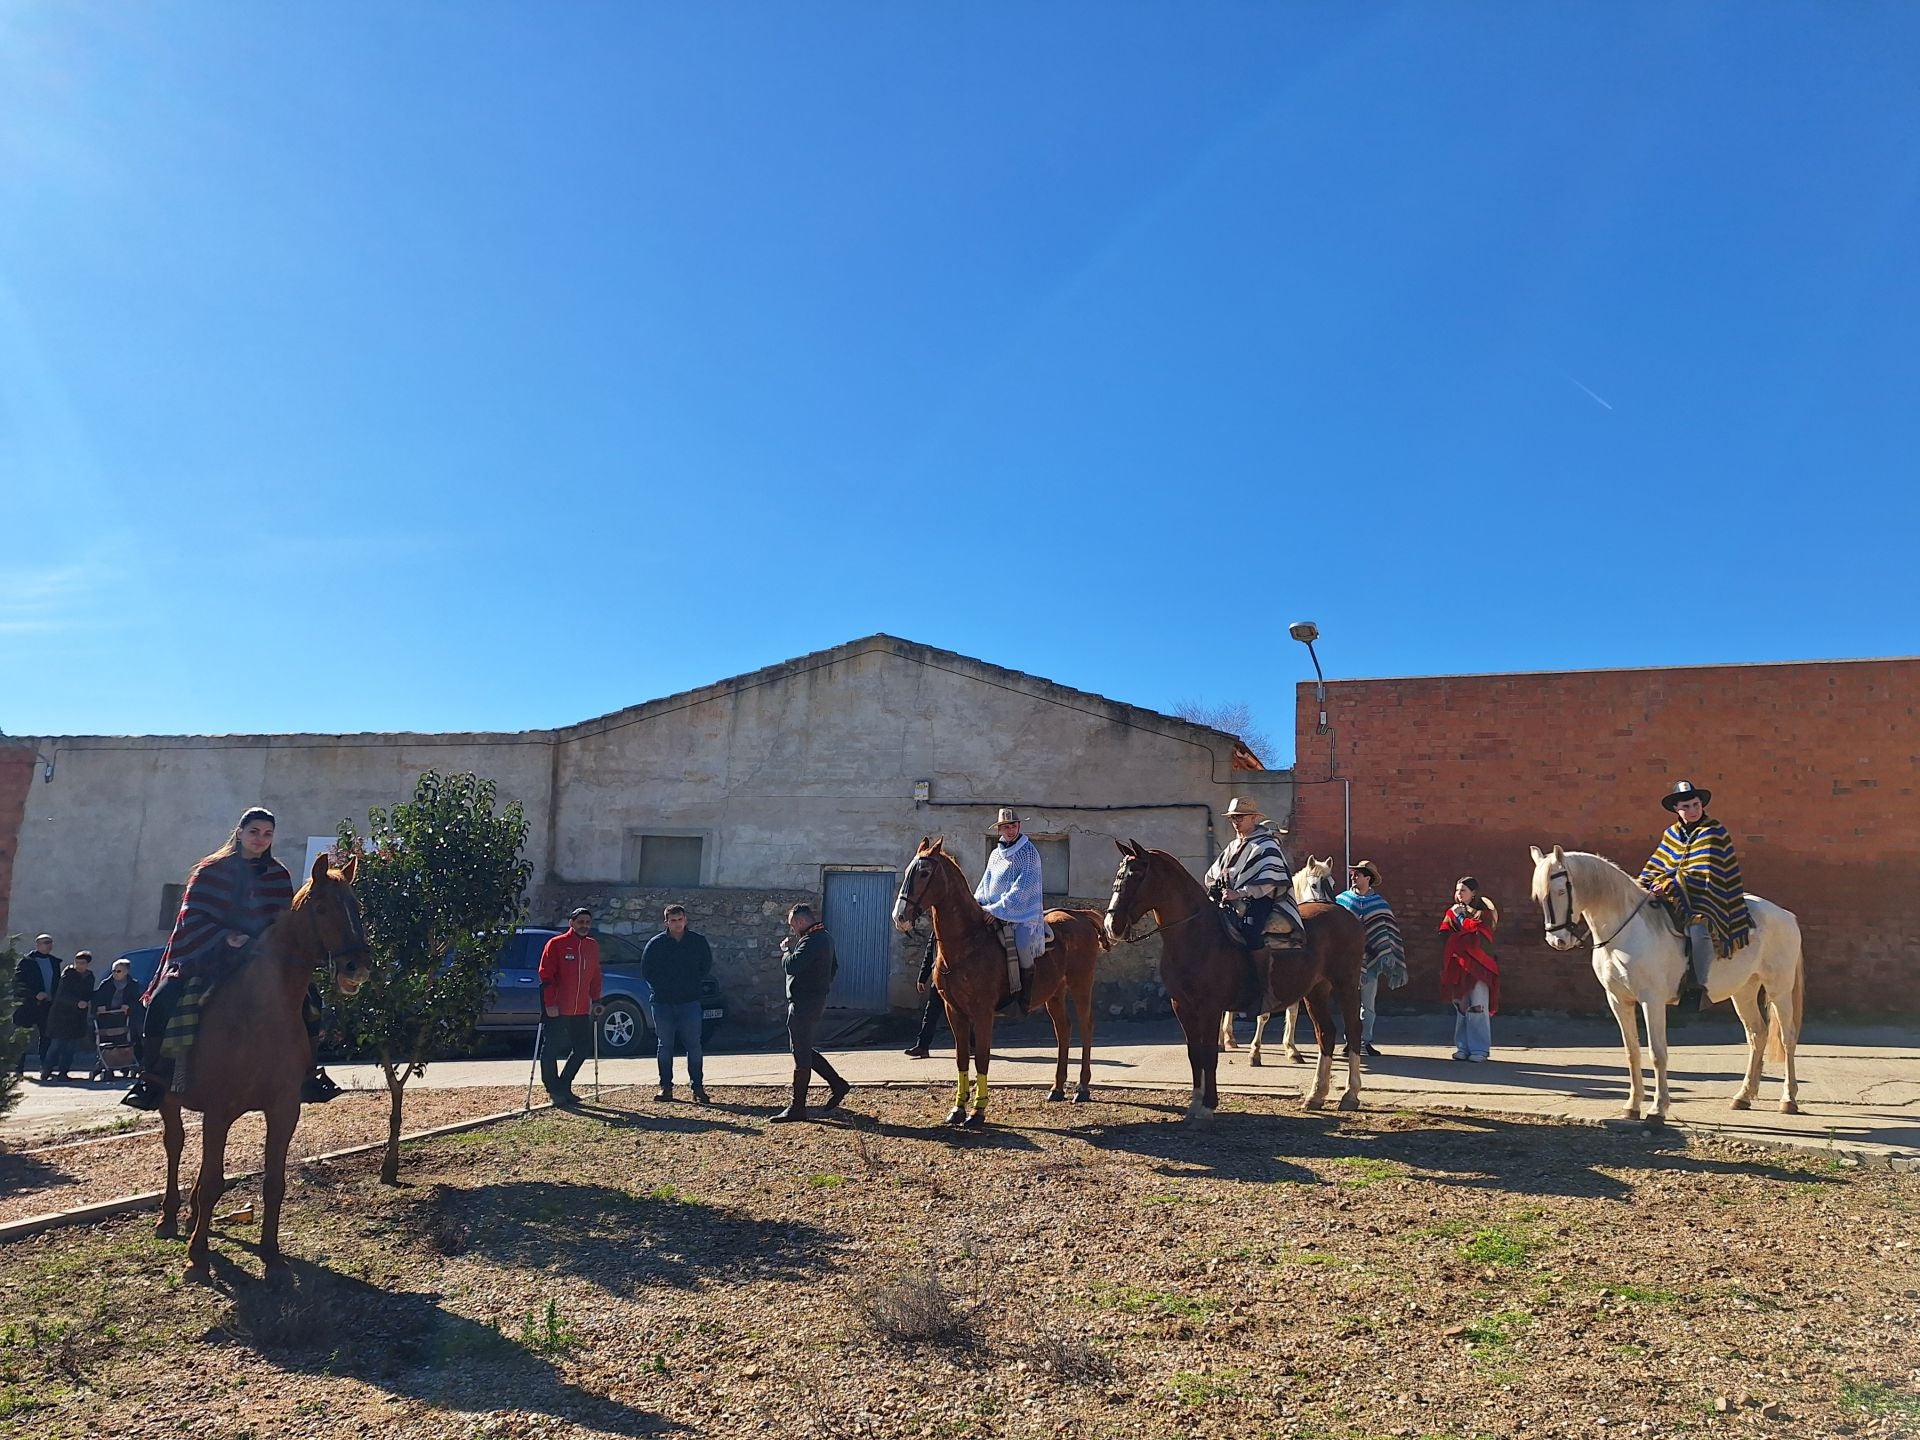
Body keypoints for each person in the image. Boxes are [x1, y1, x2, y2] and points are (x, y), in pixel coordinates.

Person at [123, 807, 319, 1110]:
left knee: (311, 999)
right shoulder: (210, 870)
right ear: (239, 832)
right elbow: (191, 917)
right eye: (254, 831)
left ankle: (308, 1074)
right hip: (210, 956)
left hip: (263, 959)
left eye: (267, 834)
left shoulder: (279, 874)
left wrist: (272, 943)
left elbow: (284, 921)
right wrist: (226, 936)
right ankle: (153, 1079)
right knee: (165, 999)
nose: (260, 839)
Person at [1638, 780, 1752, 1009]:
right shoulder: (1670, 834)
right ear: (1676, 810)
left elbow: (1707, 870)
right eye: (1686, 807)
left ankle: (1697, 987)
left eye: (1696, 804)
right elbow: (1659, 862)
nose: (1692, 811)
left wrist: (1670, 885)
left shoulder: (1714, 831)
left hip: (1708, 896)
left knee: (1698, 929)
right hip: (1671, 894)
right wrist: (1644, 885)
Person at [769, 903, 850, 1123]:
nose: (792, 929)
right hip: (812, 1001)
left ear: (801, 921)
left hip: (805, 1003)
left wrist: (786, 951)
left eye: (792, 924)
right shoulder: (825, 938)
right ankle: (837, 1084)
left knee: (800, 1054)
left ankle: (797, 1107)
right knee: (802, 1048)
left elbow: (792, 966)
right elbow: (834, 967)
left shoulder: (813, 940)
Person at [1203, 797, 1302, 953]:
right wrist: (1217, 887)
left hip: (1259, 901)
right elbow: (1213, 874)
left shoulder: (1267, 845)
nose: (1235, 821)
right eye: (1232, 817)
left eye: (1239, 817)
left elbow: (1269, 881)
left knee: (1250, 932)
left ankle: (1258, 975)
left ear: (1253, 818)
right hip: (1228, 900)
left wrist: (1239, 893)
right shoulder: (1232, 845)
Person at [974, 807, 1045, 1015]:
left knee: (1022, 945)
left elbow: (1022, 890)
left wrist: (996, 910)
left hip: (1022, 914)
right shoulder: (995, 855)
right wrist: (977, 905)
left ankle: (1025, 996)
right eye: (1006, 827)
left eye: (1013, 826)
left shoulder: (1029, 853)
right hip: (992, 912)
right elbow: (985, 884)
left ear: (1019, 826)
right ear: (1000, 830)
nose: (1010, 830)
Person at [1334, 861, 1407, 1056]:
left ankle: (1365, 1041)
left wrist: (1385, 952)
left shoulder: (1380, 905)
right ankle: (1350, 1041)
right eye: (1353, 873)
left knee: (1368, 1005)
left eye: (1358, 874)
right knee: (1348, 1002)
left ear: (1369, 878)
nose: (1354, 876)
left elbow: (1388, 932)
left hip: (1372, 961)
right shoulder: (1341, 901)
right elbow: (1333, 929)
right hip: (1347, 962)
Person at [641, 903, 712, 1104]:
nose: (677, 923)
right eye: (673, 920)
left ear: (685, 919)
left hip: (689, 1001)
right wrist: (662, 988)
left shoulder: (697, 942)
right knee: (665, 1045)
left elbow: (705, 965)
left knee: (694, 1045)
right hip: (663, 1002)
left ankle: (697, 1087)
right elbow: (647, 971)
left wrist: (691, 984)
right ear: (666, 922)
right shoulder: (655, 945)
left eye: (680, 919)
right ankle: (666, 1087)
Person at [537, 907, 603, 1108]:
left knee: (582, 1049)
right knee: (551, 1049)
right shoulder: (556, 944)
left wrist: (597, 1000)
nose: (584, 925)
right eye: (580, 921)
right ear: (571, 923)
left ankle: (564, 1085)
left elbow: (595, 975)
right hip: (558, 1007)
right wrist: (550, 1003)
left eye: (587, 922)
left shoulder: (592, 945)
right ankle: (553, 1089)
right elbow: (546, 976)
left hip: (581, 1008)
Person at [1439, 877, 1500, 1062]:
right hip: (1459, 966)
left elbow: (1481, 935)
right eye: (1457, 890)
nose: (1459, 894)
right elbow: (1444, 934)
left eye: (1463, 890)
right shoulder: (1451, 912)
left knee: (1478, 1007)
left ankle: (1480, 1049)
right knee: (1461, 1006)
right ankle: (1462, 1047)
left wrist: (1463, 918)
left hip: (1480, 967)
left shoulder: (1484, 913)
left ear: (1473, 892)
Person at [41, 951, 94, 1081]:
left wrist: (87, 1001)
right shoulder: (68, 975)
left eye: (82, 963)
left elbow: (88, 993)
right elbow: (61, 996)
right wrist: (77, 1002)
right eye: (77, 962)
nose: (79, 965)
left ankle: (63, 1072)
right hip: (61, 1016)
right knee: (57, 1045)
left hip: (77, 1017)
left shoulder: (89, 977)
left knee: (71, 1047)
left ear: (87, 964)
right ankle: (46, 1069)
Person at [13, 934, 60, 1078]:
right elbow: (18, 984)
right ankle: (18, 1069)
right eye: (46, 942)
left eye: (50, 942)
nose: (49, 945)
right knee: (22, 1037)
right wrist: (34, 994)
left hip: (46, 1006)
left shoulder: (54, 962)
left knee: (46, 1037)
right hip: (27, 1006)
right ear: (38, 944)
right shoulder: (27, 961)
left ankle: (45, 1068)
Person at [93, 956, 145, 1079]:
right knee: (107, 1040)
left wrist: (128, 1006)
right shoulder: (106, 984)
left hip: (125, 1017)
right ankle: (106, 1065)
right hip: (108, 1018)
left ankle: (129, 1064)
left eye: (118, 971)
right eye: (113, 971)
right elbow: (97, 999)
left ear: (126, 972)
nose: (115, 974)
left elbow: (136, 1000)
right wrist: (100, 1007)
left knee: (130, 1036)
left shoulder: (133, 984)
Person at [903, 932, 946, 1058]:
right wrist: (922, 978)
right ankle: (922, 1047)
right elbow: (929, 954)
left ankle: (972, 1045)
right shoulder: (936, 932)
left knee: (964, 1013)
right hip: (939, 979)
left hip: (958, 980)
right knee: (931, 1012)